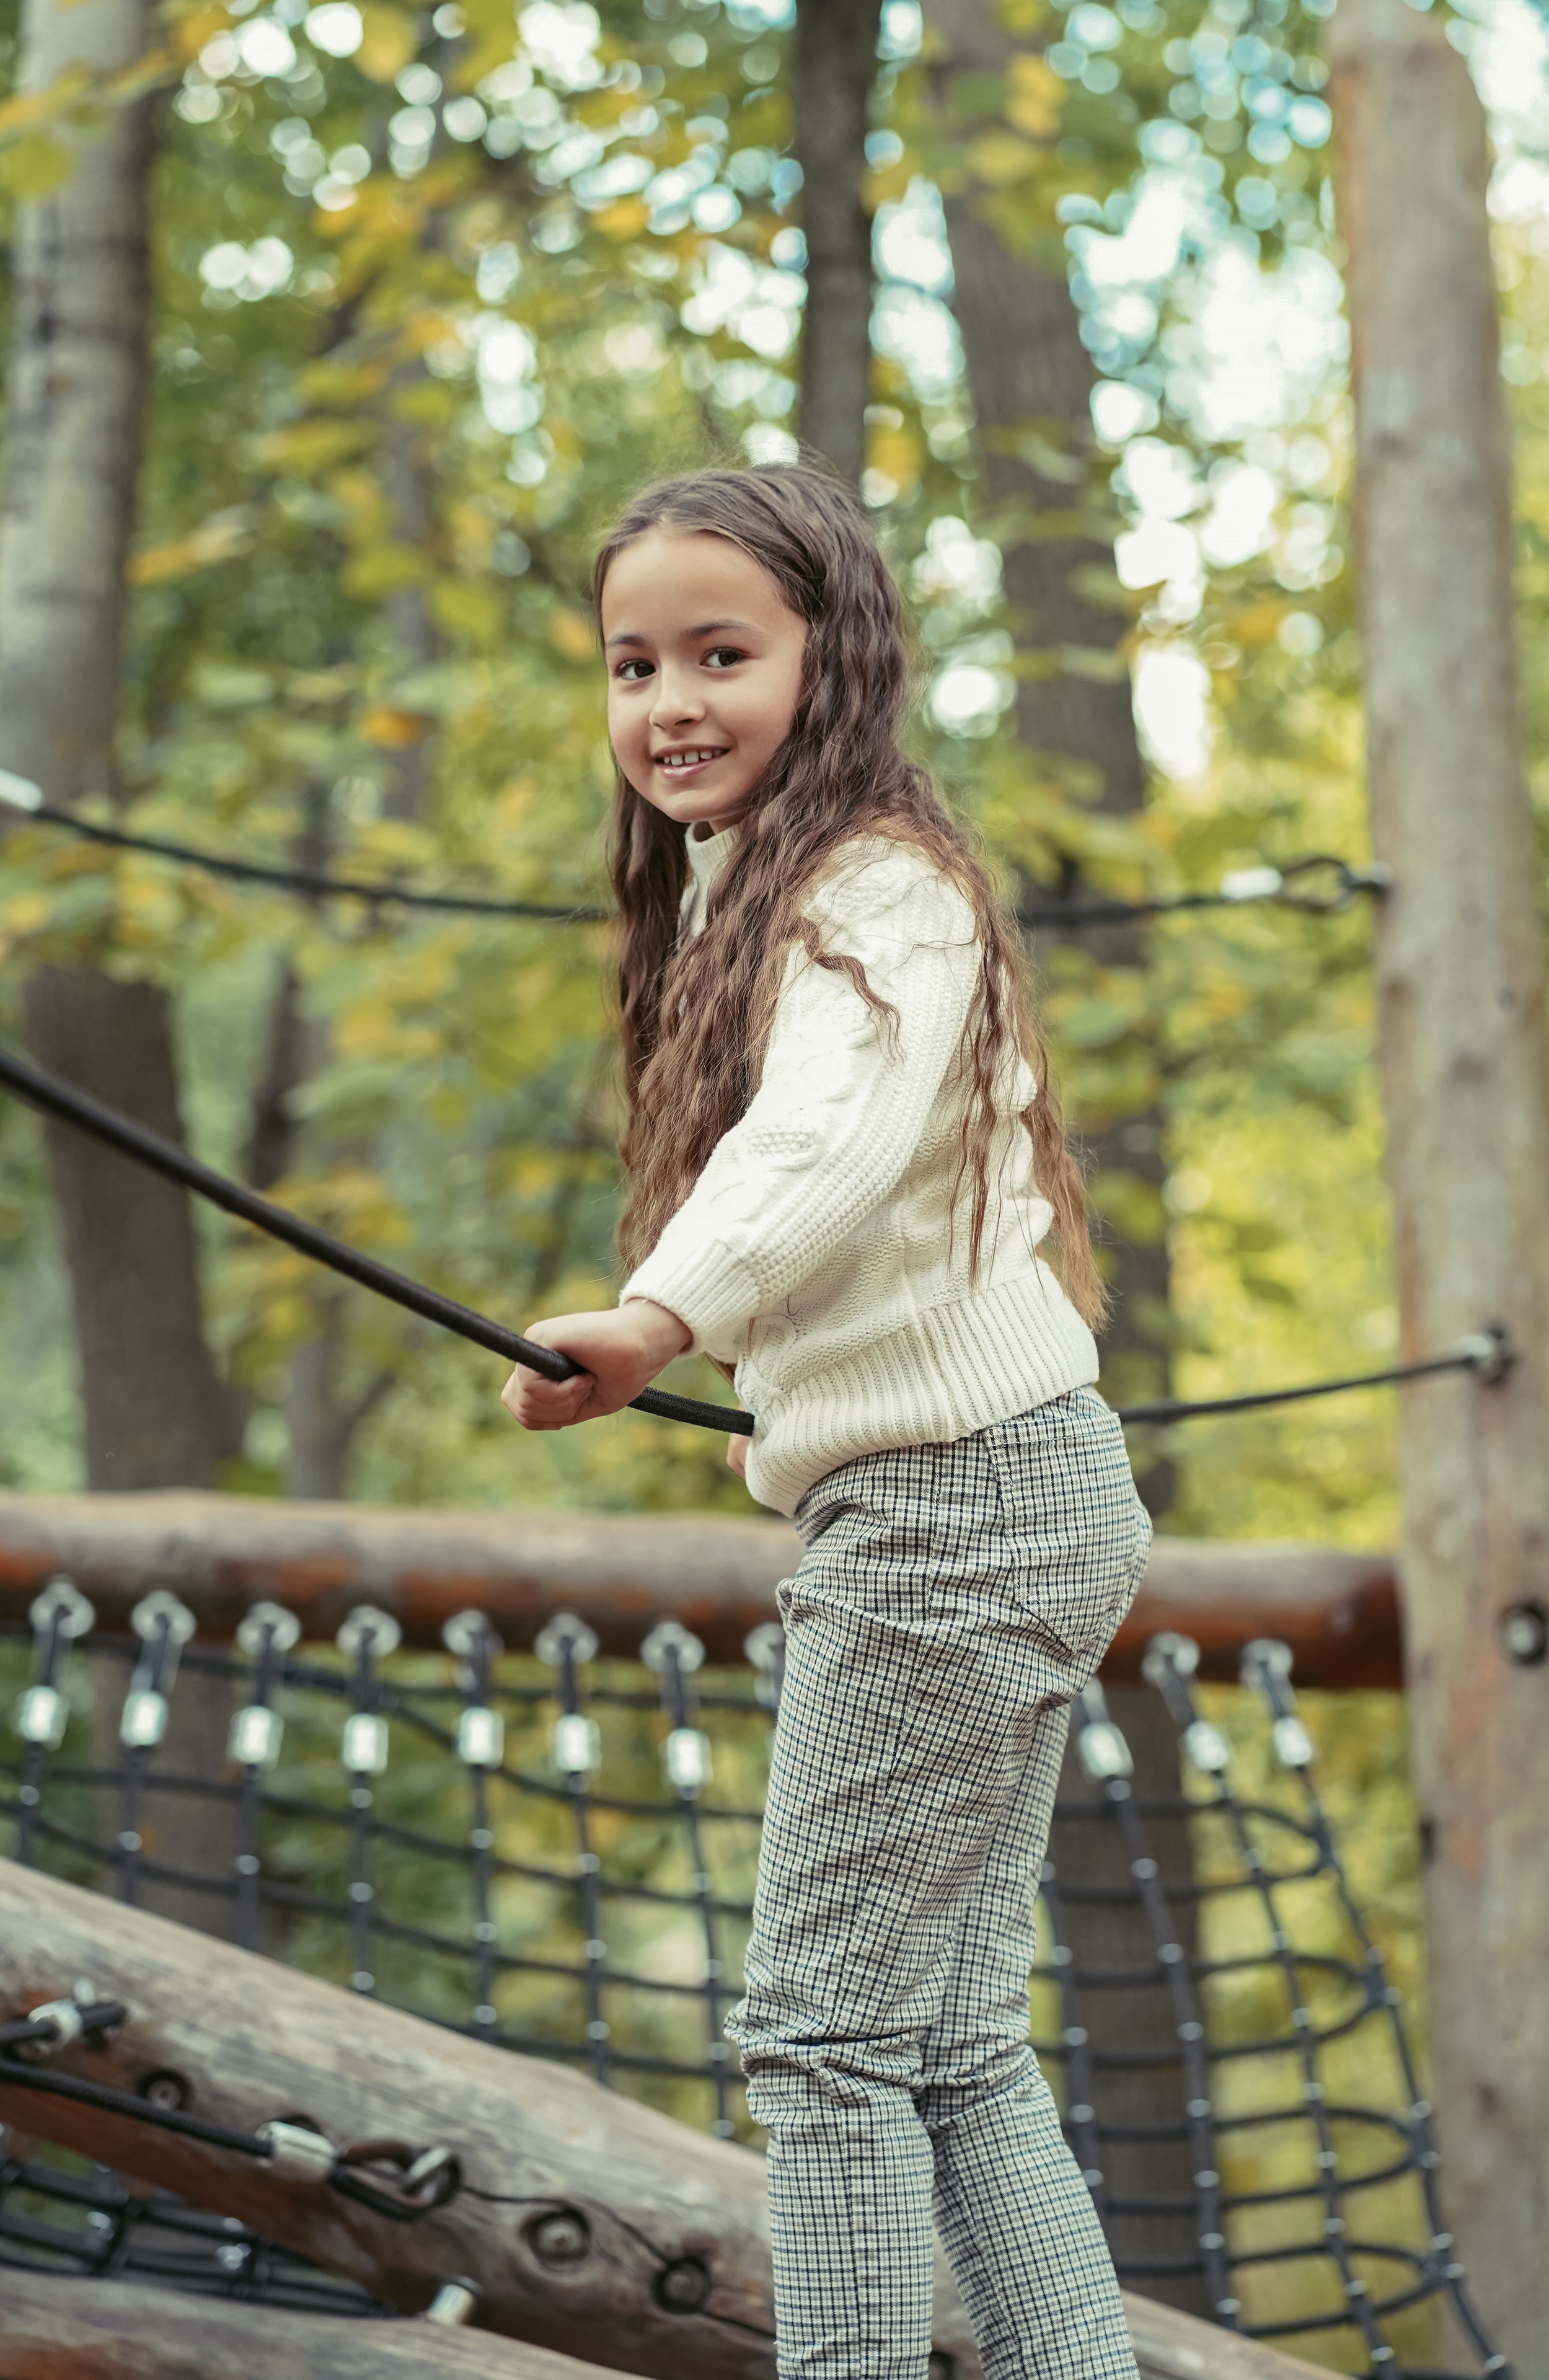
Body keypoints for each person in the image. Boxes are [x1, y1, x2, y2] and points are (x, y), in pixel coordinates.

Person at [502, 463, 1151, 2380]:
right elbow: (873, 1239)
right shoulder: (766, 886)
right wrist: (783, 1401)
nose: (671, 702)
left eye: (725, 652)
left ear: (835, 660)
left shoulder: (875, 887)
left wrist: (657, 1321)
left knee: (823, 2036)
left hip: (967, 1517)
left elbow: (826, 1143)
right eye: (635, 663)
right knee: (942, 2039)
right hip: (985, 1493)